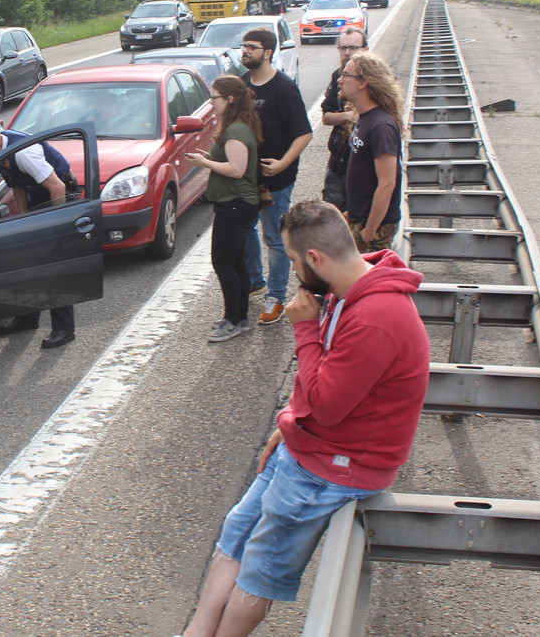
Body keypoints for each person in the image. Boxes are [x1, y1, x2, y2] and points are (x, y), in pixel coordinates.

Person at [179, 200, 430, 637]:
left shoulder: (376, 317)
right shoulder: (346, 290)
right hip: (313, 444)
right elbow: (323, 393)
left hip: (339, 465)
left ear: (316, 259)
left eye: (294, 261)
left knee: (260, 568)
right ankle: (198, 630)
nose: (294, 271)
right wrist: (291, 421)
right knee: (238, 531)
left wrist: (304, 330)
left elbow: (329, 405)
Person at [0, 119, 81, 349]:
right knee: (26, 259)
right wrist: (23, 223)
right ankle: (27, 317)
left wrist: (57, 226)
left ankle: (64, 329)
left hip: (59, 199)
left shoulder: (24, 153)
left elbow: (58, 187)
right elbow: (17, 185)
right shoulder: (0, 150)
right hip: (38, 196)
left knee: (53, 265)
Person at [238, 28, 313, 326]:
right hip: (247, 177)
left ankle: (277, 298)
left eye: (251, 47)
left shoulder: (284, 88)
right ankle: (256, 280)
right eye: (243, 46)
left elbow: (304, 133)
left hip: (276, 180)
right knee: (244, 230)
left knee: (274, 238)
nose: (245, 51)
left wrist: (282, 164)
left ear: (268, 52)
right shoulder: (244, 84)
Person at [183, 75, 262, 344]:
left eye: (214, 97)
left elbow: (237, 170)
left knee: (223, 262)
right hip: (235, 203)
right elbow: (231, 161)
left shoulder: (236, 130)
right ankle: (239, 317)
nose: (211, 102)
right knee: (235, 261)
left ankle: (233, 320)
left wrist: (205, 165)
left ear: (229, 100)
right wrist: (208, 159)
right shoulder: (236, 126)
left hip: (236, 204)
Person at [340, 51, 405, 252]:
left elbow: (387, 184)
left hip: (374, 228)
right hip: (360, 218)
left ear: (363, 82)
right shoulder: (364, 118)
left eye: (346, 74)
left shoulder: (381, 126)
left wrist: (369, 230)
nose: (340, 80)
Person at [320, 25, 368, 212]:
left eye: (353, 48)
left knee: (358, 215)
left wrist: (352, 120)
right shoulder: (337, 76)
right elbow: (326, 117)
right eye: (343, 48)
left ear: (365, 49)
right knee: (331, 216)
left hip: (363, 164)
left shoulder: (378, 79)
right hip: (338, 160)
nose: (347, 53)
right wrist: (348, 116)